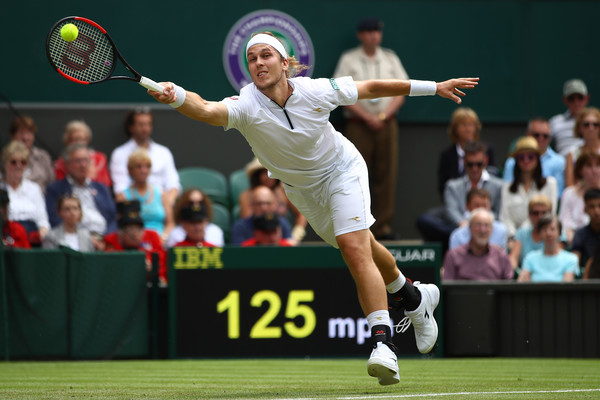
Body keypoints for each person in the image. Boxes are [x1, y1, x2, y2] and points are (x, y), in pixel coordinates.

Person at [147, 30, 478, 385]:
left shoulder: (316, 90)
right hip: (303, 192)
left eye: (266, 55)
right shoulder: (246, 105)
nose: (258, 63)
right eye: (252, 58)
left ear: (285, 62)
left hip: (342, 171)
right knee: (361, 244)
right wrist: (176, 95)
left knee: (354, 248)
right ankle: (413, 296)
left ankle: (385, 345)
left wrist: (433, 86)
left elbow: (372, 88)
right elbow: (207, 110)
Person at [332, 17, 408, 239]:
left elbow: (402, 90)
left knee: (387, 174)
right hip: (358, 124)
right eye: (368, 31)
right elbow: (340, 92)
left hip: (387, 124)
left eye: (377, 31)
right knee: (355, 174)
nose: (374, 35)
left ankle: (383, 226)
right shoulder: (349, 59)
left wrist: (383, 116)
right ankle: (359, 225)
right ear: (360, 35)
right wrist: (366, 116)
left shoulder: (390, 58)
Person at [417, 141, 503, 247]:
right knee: (425, 221)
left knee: (500, 228)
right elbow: (451, 211)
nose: (474, 169)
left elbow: (498, 212)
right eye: (470, 164)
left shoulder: (499, 185)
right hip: (459, 227)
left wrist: (480, 221)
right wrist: (464, 224)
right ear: (463, 162)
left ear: (486, 161)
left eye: (479, 164)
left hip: (487, 227)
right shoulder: (452, 186)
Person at [109, 107, 181, 209]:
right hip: (133, 209)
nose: (145, 128)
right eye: (141, 124)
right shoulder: (119, 154)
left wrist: (166, 206)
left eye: (148, 124)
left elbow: (173, 185)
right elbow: (120, 190)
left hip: (163, 208)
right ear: (131, 127)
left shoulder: (164, 152)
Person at [45, 143, 117, 235]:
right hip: (74, 238)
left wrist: (107, 238)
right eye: (78, 161)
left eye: (86, 160)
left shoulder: (101, 188)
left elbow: (112, 217)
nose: (83, 165)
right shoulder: (56, 189)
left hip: (103, 237)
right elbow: (54, 219)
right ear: (67, 164)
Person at [500, 136, 558, 238]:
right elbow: (505, 218)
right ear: (516, 161)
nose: (526, 161)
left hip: (542, 237)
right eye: (521, 157)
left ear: (538, 159)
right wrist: (516, 237)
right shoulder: (507, 187)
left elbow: (550, 214)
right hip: (513, 239)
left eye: (531, 157)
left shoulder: (550, 183)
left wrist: (525, 234)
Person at [238, 157, 307, 242]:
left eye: (271, 172)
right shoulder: (246, 195)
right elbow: (247, 221)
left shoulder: (284, 190)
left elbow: (301, 213)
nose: (268, 176)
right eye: (264, 172)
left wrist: (296, 236)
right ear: (257, 175)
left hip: (282, 235)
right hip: (255, 238)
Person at [116, 148, 174, 242]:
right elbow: (121, 226)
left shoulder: (161, 193)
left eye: (147, 166)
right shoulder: (122, 197)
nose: (143, 170)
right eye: (138, 166)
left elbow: (170, 223)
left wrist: (162, 238)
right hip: (134, 243)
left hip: (160, 243)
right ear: (130, 170)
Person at [104, 200, 167, 285]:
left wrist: (153, 269)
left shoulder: (152, 235)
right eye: (129, 229)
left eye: (138, 229)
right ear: (121, 233)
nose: (134, 234)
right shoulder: (110, 239)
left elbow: (162, 263)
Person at [437, 107, 496, 197]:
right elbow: (443, 187)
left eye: (471, 125)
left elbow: (493, 179)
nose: (468, 129)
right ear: (455, 128)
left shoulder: (488, 150)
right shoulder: (447, 155)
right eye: (464, 125)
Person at [442, 208, 513, 281]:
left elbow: (509, 287)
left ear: (492, 229)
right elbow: (447, 286)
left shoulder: (501, 256)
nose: (482, 230)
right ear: (469, 228)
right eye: (478, 225)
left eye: (487, 225)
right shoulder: (453, 255)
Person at [1, 140, 50, 246]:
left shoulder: (34, 188)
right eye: (13, 162)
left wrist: (43, 230)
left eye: (23, 162)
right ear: (5, 164)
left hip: (31, 236)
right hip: (7, 234)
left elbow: (42, 219)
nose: (18, 166)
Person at [502, 117, 566, 196]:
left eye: (545, 136)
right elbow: (508, 192)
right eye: (536, 135)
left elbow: (557, 195)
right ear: (528, 134)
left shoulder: (559, 162)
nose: (540, 139)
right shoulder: (511, 162)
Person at [508, 195, 564, 269]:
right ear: (529, 215)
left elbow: (558, 259)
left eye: (544, 213)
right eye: (535, 213)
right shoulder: (522, 233)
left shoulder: (557, 233)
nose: (540, 217)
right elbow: (513, 259)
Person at [518, 214, 578, 282]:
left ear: (560, 233)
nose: (548, 233)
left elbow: (566, 288)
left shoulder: (571, 259)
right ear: (539, 234)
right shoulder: (529, 257)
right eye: (544, 230)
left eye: (552, 229)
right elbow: (522, 283)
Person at [53, 120, 112, 187]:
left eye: (83, 139)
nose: (80, 143)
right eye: (76, 139)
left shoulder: (99, 159)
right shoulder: (59, 164)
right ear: (68, 141)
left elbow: (106, 185)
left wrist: (90, 179)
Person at [559, 150, 600, 244]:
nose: (594, 171)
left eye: (598, 166)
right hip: (576, 242)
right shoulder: (569, 193)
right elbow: (564, 225)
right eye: (589, 166)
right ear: (580, 170)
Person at [8, 115, 54, 190]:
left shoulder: (43, 156)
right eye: (21, 133)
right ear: (12, 136)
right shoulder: (4, 157)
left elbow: (52, 183)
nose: (25, 137)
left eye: (29, 133)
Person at [549, 79, 590, 157]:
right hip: (563, 166)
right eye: (571, 98)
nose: (576, 102)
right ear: (565, 100)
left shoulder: (595, 121)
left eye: (580, 98)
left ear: (586, 98)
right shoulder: (555, 122)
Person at [564, 107, 600, 187]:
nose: (591, 128)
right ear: (579, 128)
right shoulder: (573, 153)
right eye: (586, 125)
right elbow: (570, 186)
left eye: (596, 124)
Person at [571, 188, 600, 271]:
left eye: (599, 206)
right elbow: (575, 265)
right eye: (592, 206)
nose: (596, 211)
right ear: (585, 209)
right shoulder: (580, 234)